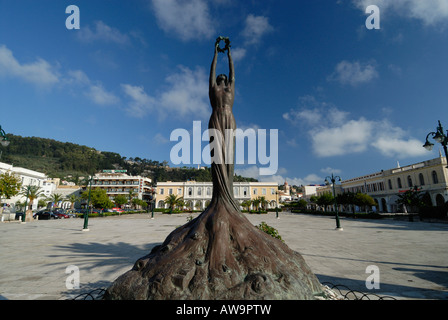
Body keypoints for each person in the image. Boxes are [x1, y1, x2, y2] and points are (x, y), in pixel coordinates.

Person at [208, 38, 239, 212]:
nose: (221, 75)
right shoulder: (213, 88)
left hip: (228, 118)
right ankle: (219, 197)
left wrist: (229, 54)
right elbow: (211, 72)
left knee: (229, 158)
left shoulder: (230, 88)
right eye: (219, 76)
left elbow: (233, 72)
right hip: (215, 119)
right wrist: (215, 53)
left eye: (224, 76)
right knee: (217, 159)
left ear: (226, 79)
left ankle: (229, 198)